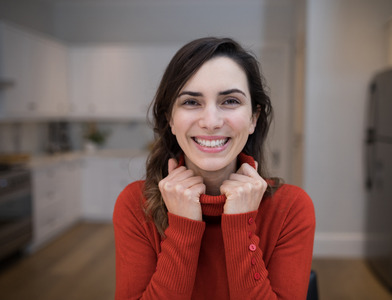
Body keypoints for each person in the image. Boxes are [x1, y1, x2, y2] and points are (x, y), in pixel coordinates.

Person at [113, 37, 315, 300]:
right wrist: (183, 228)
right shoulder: (135, 205)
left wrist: (240, 226)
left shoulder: (291, 208)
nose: (211, 121)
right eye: (191, 102)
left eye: (230, 101)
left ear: (253, 118)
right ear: (170, 120)